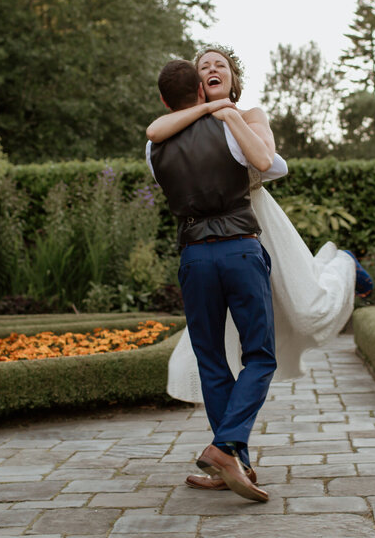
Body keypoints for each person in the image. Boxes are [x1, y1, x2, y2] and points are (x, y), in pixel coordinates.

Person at [147, 47, 369, 487]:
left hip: (258, 228)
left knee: (305, 309)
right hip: (231, 242)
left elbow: (269, 164)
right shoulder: (175, 131)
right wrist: (213, 110)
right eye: (203, 66)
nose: (211, 69)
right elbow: (158, 129)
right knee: (222, 356)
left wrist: (229, 115)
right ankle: (232, 457)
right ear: (195, 86)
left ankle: (343, 264)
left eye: (220, 65)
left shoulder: (242, 119)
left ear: (232, 78)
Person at [145, 58, 281, 502]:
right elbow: (273, 166)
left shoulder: (154, 150)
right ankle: (227, 449)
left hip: (194, 258)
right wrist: (225, 113)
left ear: (166, 100)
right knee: (259, 355)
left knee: (211, 360)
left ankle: (231, 460)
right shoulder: (228, 127)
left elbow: (159, 133)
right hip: (240, 248)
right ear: (200, 92)